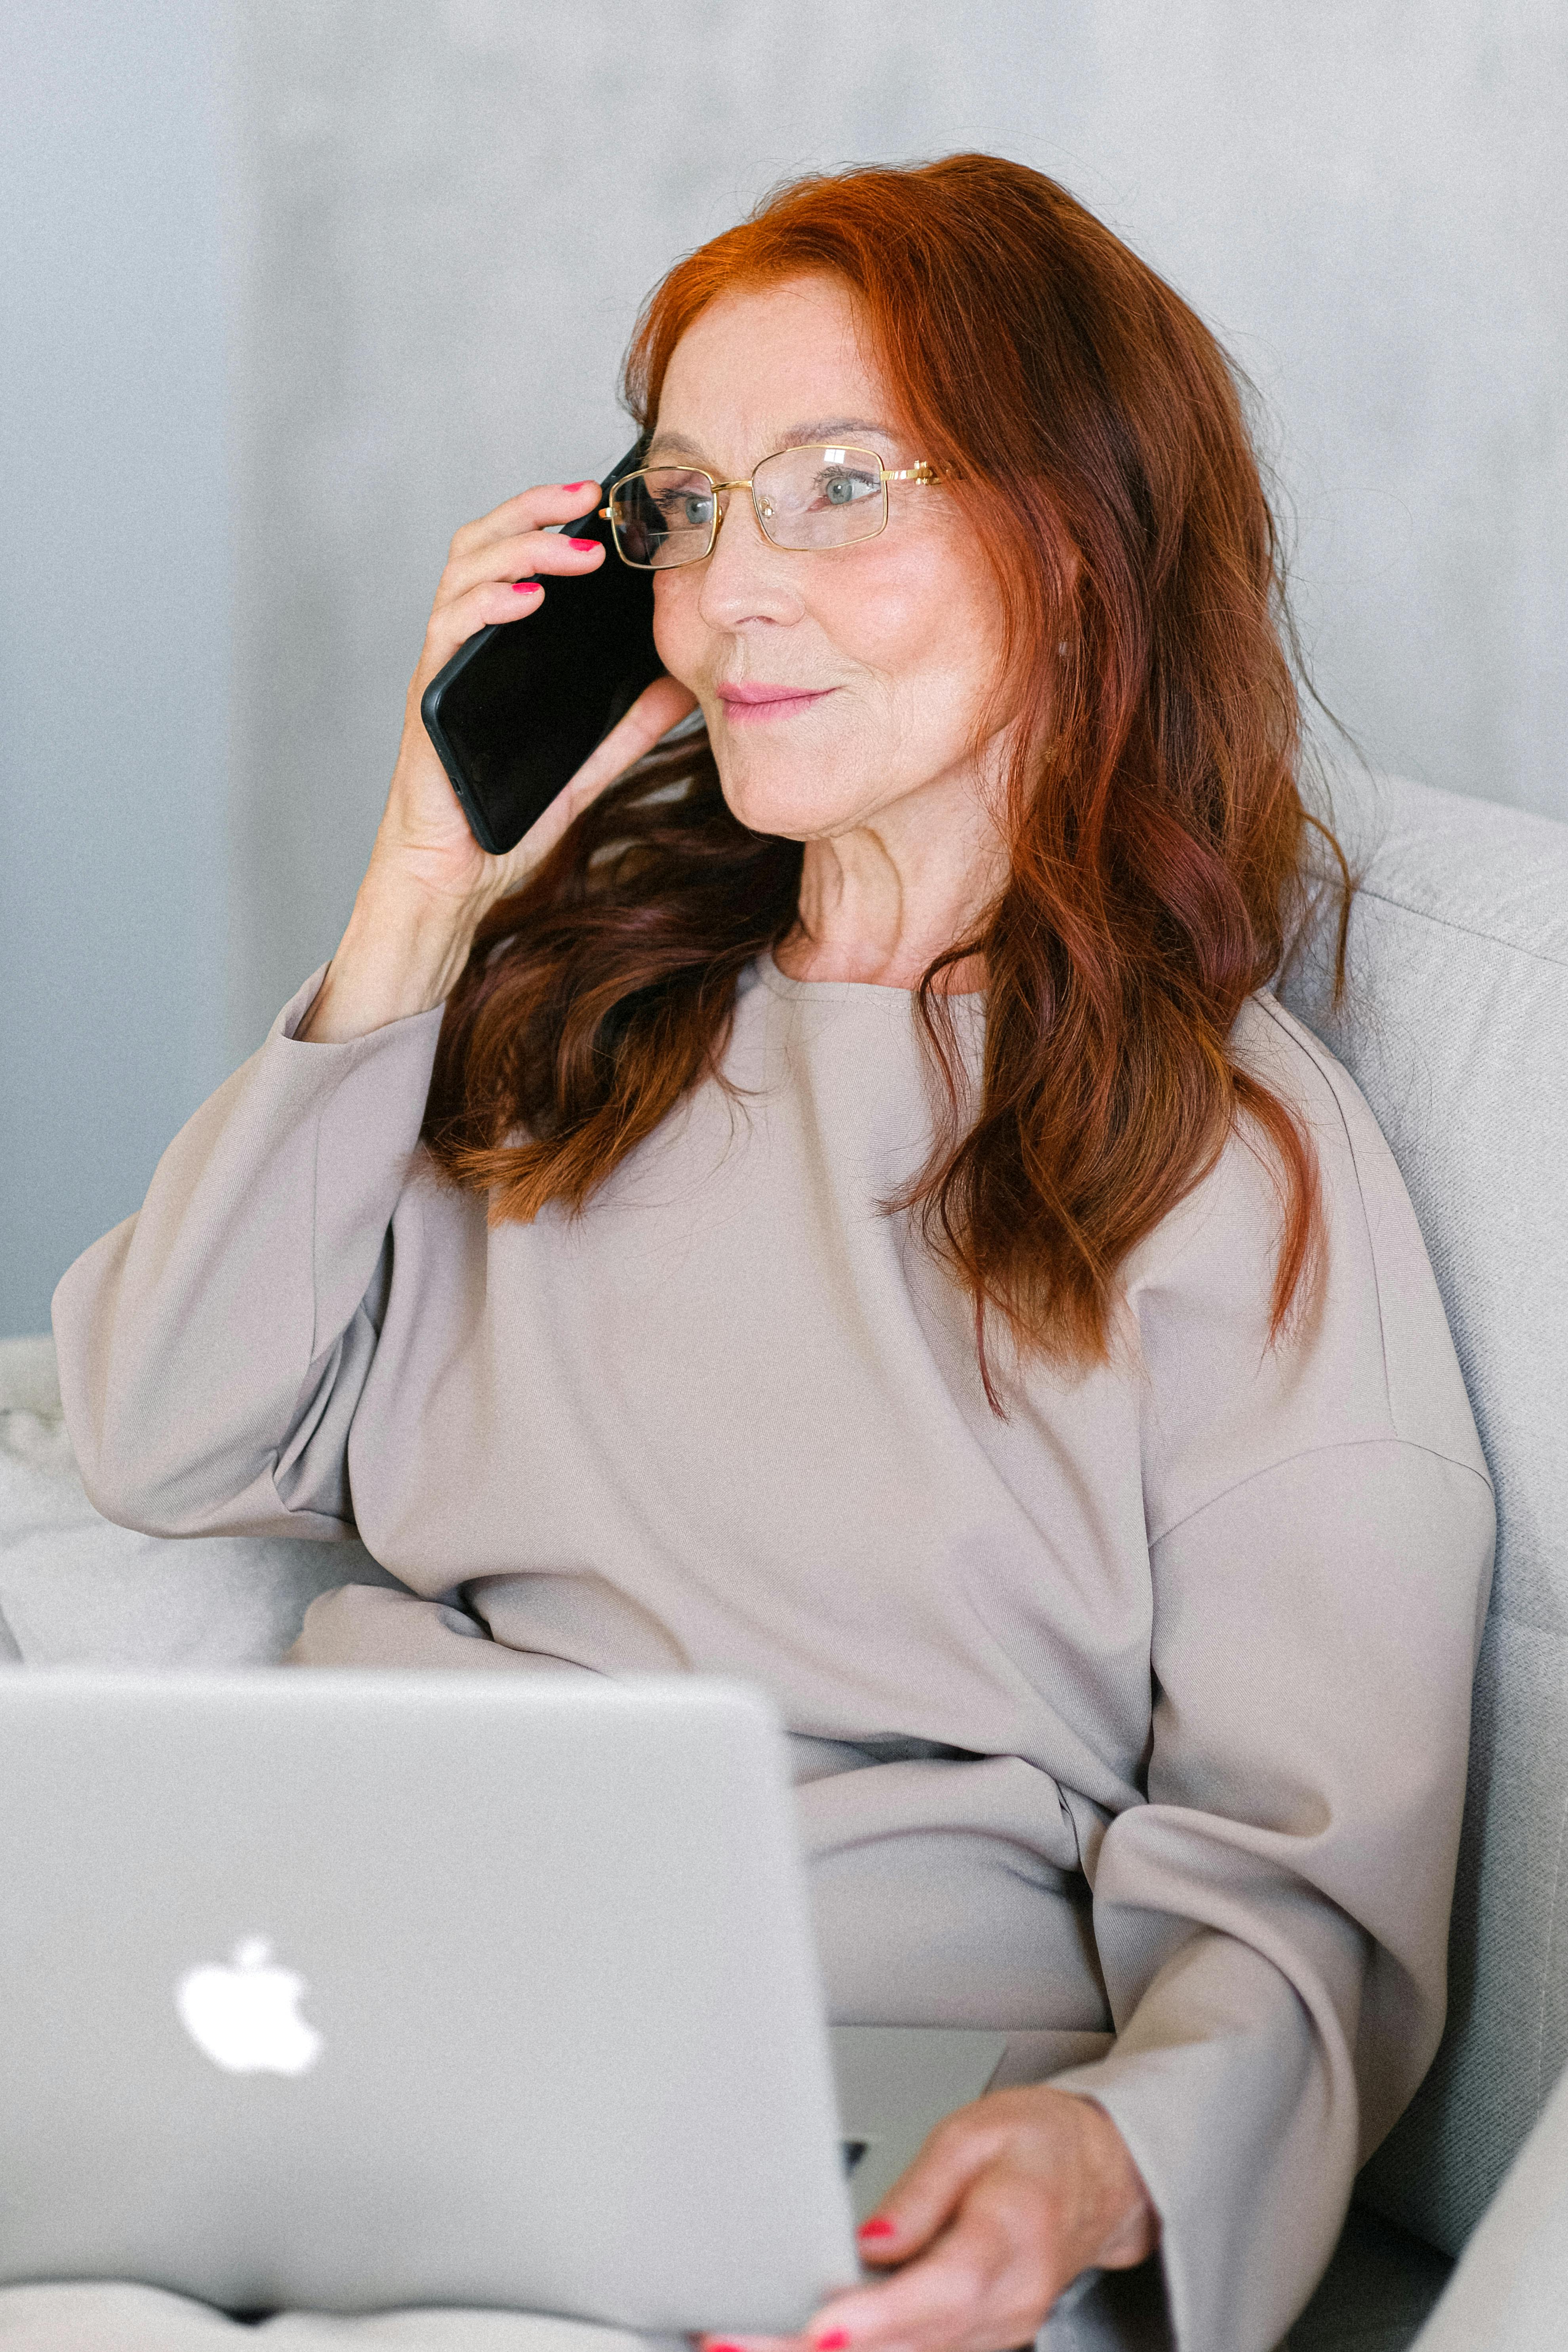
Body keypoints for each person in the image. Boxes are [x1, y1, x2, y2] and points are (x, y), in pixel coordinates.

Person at [47, 155, 1493, 2352]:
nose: (727, 599)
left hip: (839, 2120)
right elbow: (161, 1429)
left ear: (1080, 552)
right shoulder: (572, 1009)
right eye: (688, 505)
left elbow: (1304, 1877)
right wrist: (424, 887)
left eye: (836, 489)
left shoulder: (1225, 1156)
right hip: (357, 2024)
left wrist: (1103, 2147)